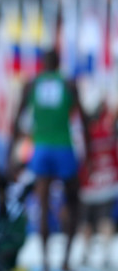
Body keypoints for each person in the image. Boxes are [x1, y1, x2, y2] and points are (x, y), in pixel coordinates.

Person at [9, 49, 90, 271]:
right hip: (63, 147)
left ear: (42, 63)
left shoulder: (32, 85)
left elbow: (16, 120)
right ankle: (66, 259)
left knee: (43, 204)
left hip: (41, 148)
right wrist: (89, 154)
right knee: (72, 202)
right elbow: (82, 120)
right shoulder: (68, 85)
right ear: (59, 63)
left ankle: (45, 260)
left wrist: (11, 154)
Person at [78, 101, 118, 269]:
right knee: (106, 220)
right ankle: (106, 256)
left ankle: (85, 255)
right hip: (108, 184)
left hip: (88, 186)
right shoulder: (109, 133)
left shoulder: (85, 135)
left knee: (86, 221)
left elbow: (80, 161)